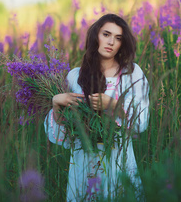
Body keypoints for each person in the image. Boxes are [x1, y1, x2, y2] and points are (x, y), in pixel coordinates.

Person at [44, 14, 150, 201]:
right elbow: (62, 136)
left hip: (119, 158)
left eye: (118, 38)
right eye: (106, 34)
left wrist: (114, 105)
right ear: (95, 36)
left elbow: (141, 122)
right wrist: (56, 103)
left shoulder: (131, 73)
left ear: (122, 44)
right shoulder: (75, 76)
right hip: (83, 159)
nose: (111, 42)